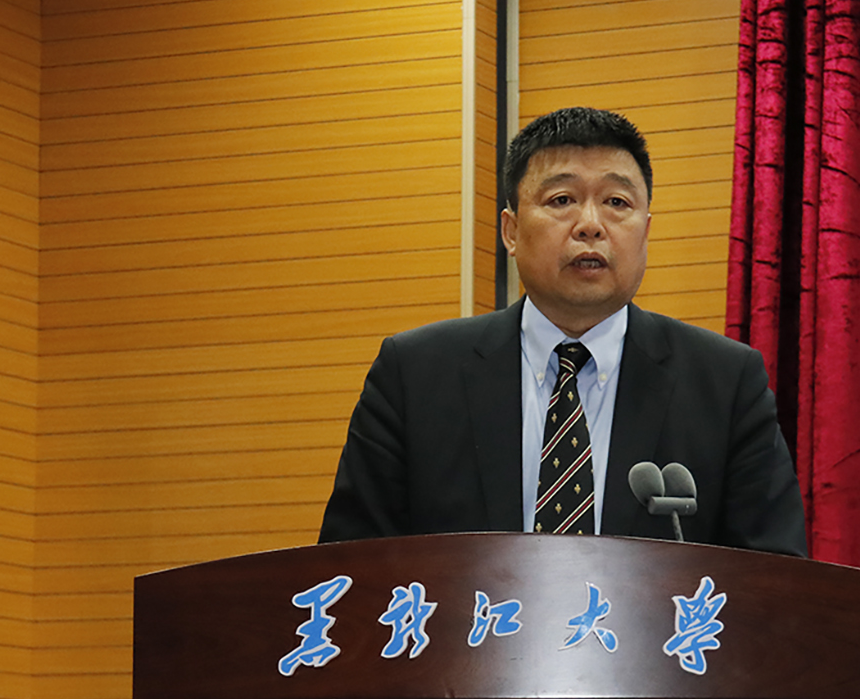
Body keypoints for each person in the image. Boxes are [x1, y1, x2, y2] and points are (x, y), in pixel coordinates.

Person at [318, 107, 806, 555]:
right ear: (511, 231)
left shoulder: (726, 383)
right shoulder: (414, 376)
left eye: (616, 201)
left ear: (645, 230)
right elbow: (350, 571)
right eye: (562, 199)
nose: (590, 225)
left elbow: (776, 581)